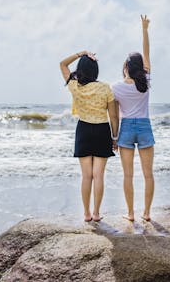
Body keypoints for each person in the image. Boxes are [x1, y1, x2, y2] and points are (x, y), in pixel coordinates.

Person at [60, 51, 119, 222]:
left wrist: (81, 54)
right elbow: (113, 116)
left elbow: (62, 64)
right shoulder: (105, 88)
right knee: (98, 175)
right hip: (102, 130)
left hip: (84, 130)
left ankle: (86, 213)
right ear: (96, 70)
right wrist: (115, 137)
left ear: (80, 69)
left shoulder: (74, 85)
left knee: (87, 176)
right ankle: (96, 213)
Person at [112, 15, 155, 222]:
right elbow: (146, 53)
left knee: (127, 175)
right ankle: (146, 213)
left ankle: (130, 214)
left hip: (126, 128)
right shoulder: (145, 80)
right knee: (148, 174)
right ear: (141, 67)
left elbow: (113, 114)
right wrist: (144, 29)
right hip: (144, 126)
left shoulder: (116, 87)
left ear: (126, 67)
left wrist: (114, 136)